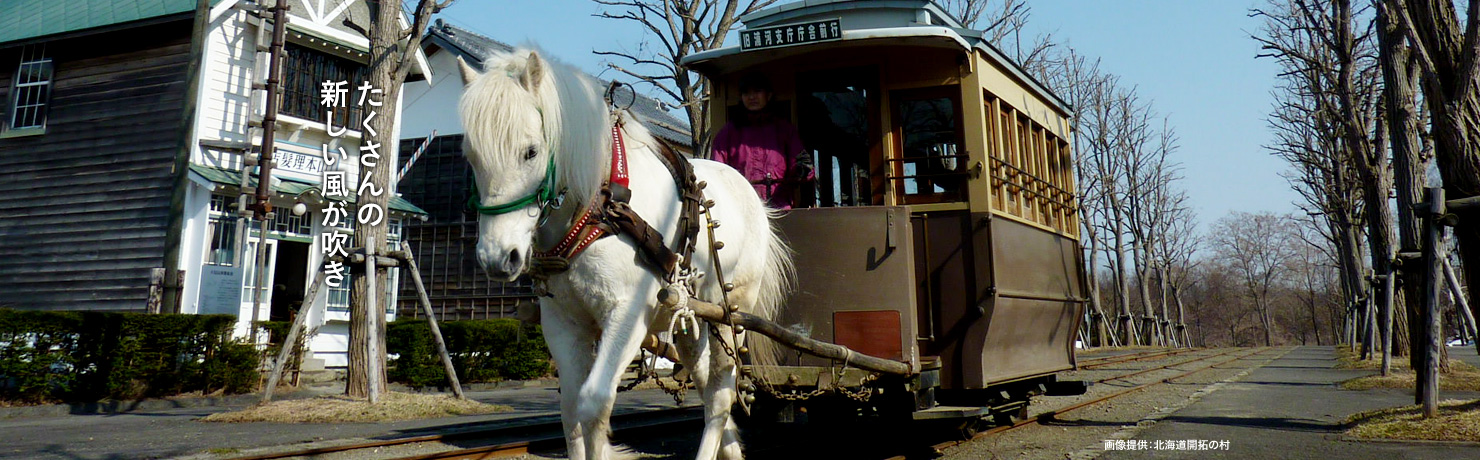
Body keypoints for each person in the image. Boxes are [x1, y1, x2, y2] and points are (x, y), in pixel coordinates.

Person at [711, 74, 814, 210]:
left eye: (757, 91)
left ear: (769, 95)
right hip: (741, 211)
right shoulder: (728, 133)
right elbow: (717, 170)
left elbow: (803, 166)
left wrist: (802, 170)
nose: (752, 97)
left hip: (779, 212)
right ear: (741, 97)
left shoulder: (784, 130)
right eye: (746, 92)